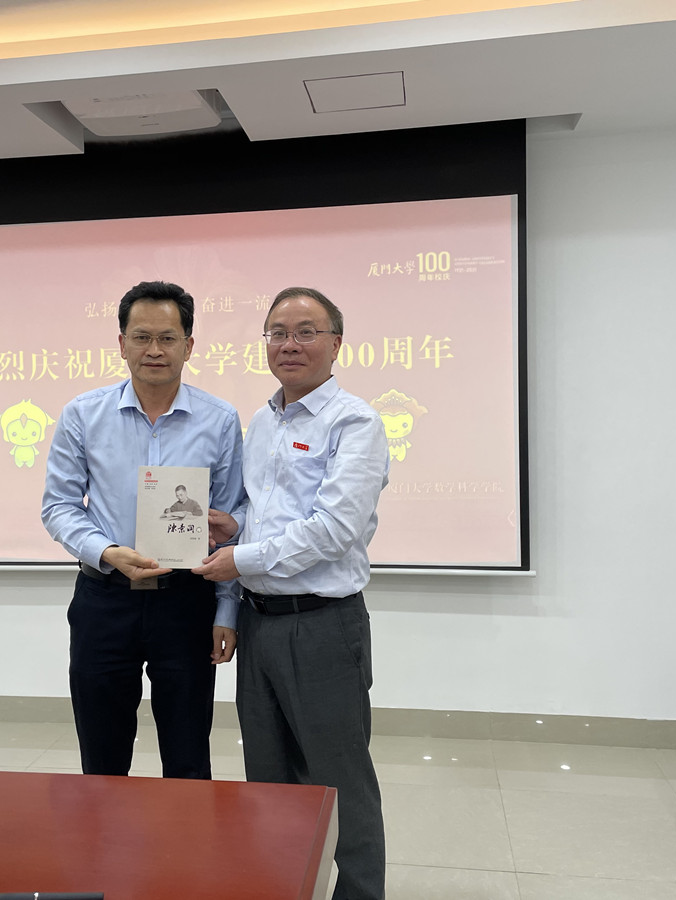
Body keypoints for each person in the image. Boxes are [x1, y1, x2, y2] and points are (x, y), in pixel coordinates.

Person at [193, 286, 389, 899]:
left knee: (339, 783)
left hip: (323, 626)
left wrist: (241, 557)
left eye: (306, 331)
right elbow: (266, 516)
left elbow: (333, 530)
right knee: (269, 780)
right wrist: (234, 529)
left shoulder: (355, 422)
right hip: (260, 623)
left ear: (336, 343)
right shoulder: (261, 422)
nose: (290, 344)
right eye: (277, 332)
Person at [41, 280, 244, 780]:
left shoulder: (220, 421)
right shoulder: (83, 415)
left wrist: (227, 609)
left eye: (168, 338)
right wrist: (106, 550)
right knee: (102, 757)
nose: (154, 350)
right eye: (142, 337)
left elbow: (232, 519)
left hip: (187, 601)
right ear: (122, 343)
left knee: (188, 754)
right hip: (105, 600)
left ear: (188, 346)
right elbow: (59, 506)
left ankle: (186, 834)